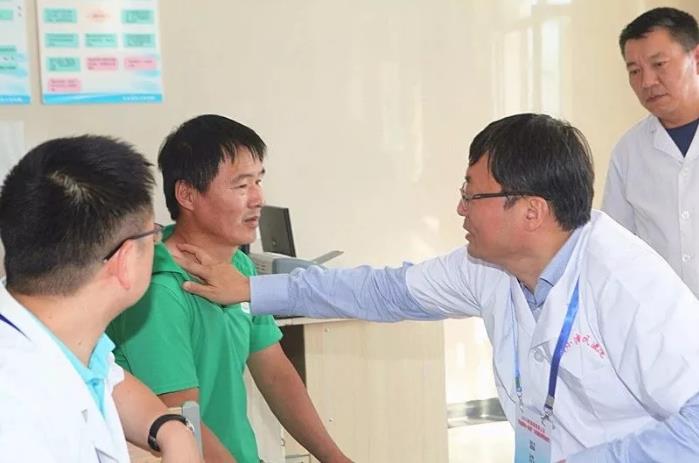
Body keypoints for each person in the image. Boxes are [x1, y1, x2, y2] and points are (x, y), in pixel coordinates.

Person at [176, 113, 699, 462]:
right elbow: (382, 292)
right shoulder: (487, 265)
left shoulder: (627, 283)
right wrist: (255, 290)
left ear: (531, 211)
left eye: (473, 195)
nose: (460, 208)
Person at [107, 114, 350, 463]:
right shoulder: (158, 289)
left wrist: (336, 459)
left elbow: (276, 375)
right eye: (241, 185)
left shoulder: (238, 267)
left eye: (258, 181)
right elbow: (184, 421)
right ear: (187, 194)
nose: (257, 198)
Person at [0, 136, 201, 462]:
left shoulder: (56, 330)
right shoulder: (18, 420)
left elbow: (110, 378)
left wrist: (170, 429)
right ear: (124, 261)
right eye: (153, 235)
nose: (158, 245)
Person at [602, 7, 699, 297]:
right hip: (664, 318)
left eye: (659, 64)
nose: (647, 82)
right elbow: (615, 249)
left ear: (696, 59)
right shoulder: (629, 152)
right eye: (635, 71)